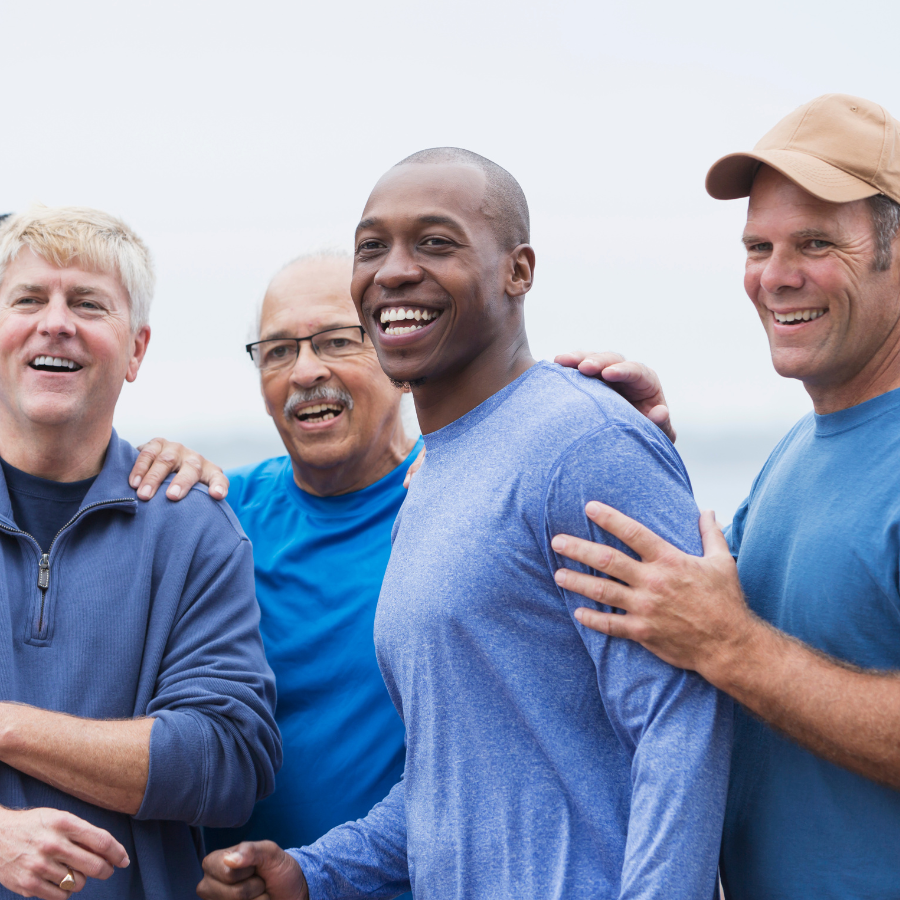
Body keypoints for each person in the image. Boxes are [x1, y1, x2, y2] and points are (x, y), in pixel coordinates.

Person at [198, 148, 732, 900]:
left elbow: (681, 727)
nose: (394, 271)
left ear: (518, 270)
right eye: (372, 246)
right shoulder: (434, 477)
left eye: (436, 242)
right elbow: (454, 779)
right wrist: (315, 875)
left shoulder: (582, 440)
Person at [551, 94, 900, 899]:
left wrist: (732, 647)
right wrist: (640, 459)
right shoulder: (800, 449)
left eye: (816, 243)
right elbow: (709, 601)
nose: (776, 276)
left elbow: (726, 636)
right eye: (759, 245)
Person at [0, 206, 280, 899]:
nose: (56, 322)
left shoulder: (194, 530)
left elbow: (226, 762)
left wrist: (7, 726)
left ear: (137, 350)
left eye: (89, 303)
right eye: (27, 299)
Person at [202, 253, 420, 900]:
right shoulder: (214, 517)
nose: (305, 371)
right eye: (276, 351)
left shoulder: (460, 514)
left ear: (401, 361)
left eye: (336, 342)